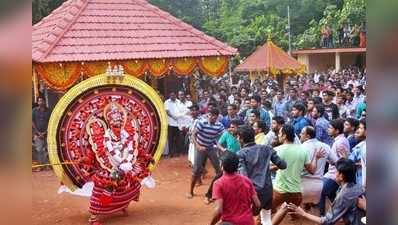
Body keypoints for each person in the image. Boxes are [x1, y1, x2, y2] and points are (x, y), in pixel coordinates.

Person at [288, 158, 365, 225]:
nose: (335, 173)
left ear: (341, 176)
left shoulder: (345, 194)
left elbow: (327, 221)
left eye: (336, 171)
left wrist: (303, 214)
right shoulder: (358, 187)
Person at [237, 126, 287, 225]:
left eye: (238, 137)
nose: (237, 139)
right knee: (266, 218)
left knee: (244, 217)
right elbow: (283, 165)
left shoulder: (240, 154)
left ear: (241, 138)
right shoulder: (267, 148)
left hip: (252, 192)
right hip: (267, 189)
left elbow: (244, 178)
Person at [272, 124, 320, 212]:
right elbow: (312, 170)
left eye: (279, 133)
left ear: (285, 135)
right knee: (293, 215)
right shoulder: (303, 151)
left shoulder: (277, 150)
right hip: (296, 193)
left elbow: (270, 168)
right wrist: (316, 158)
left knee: (264, 215)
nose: (278, 135)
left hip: (279, 191)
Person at [209, 153, 261, 225]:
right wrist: (248, 215)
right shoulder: (247, 180)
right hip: (248, 222)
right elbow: (257, 204)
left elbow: (219, 210)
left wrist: (211, 224)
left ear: (222, 166)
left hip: (229, 222)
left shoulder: (218, 183)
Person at [188, 108, 224, 199]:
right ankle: (190, 191)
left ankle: (217, 191)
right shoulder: (202, 123)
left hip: (211, 148)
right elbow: (193, 135)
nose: (212, 118)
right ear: (208, 115)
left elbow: (220, 138)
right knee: (196, 170)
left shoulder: (219, 126)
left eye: (214, 117)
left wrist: (221, 148)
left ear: (217, 117)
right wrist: (198, 146)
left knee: (219, 171)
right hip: (200, 147)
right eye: (210, 116)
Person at [319, 119, 350, 216]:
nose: (328, 129)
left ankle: (322, 216)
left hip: (334, 174)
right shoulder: (339, 140)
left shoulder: (340, 142)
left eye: (330, 128)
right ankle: (341, 214)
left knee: (320, 190)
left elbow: (343, 161)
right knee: (331, 195)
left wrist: (332, 161)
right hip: (333, 173)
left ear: (337, 130)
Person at [299, 126, 337, 206]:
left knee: (299, 214)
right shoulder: (325, 146)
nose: (300, 135)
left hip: (302, 185)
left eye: (302, 133)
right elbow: (336, 162)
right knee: (317, 215)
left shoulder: (301, 148)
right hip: (318, 186)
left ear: (308, 136)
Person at [32, 96, 51, 169]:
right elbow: (32, 122)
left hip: (47, 134)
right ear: (37, 102)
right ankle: (40, 166)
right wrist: (38, 132)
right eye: (39, 101)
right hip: (37, 134)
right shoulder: (34, 111)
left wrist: (45, 132)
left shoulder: (48, 111)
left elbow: (51, 122)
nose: (40, 102)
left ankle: (48, 166)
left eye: (42, 101)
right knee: (39, 150)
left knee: (47, 149)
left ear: (44, 101)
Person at [349, 119, 366, 187]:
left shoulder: (360, 147)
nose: (358, 130)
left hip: (362, 182)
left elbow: (349, 162)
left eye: (361, 128)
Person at [164, 92, 183, 157]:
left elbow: (181, 110)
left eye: (174, 95)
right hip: (170, 123)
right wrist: (173, 117)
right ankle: (171, 153)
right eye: (171, 95)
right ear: (169, 96)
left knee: (178, 138)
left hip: (178, 123)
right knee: (170, 138)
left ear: (175, 95)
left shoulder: (178, 101)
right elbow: (167, 112)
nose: (173, 96)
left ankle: (178, 152)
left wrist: (179, 117)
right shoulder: (167, 102)